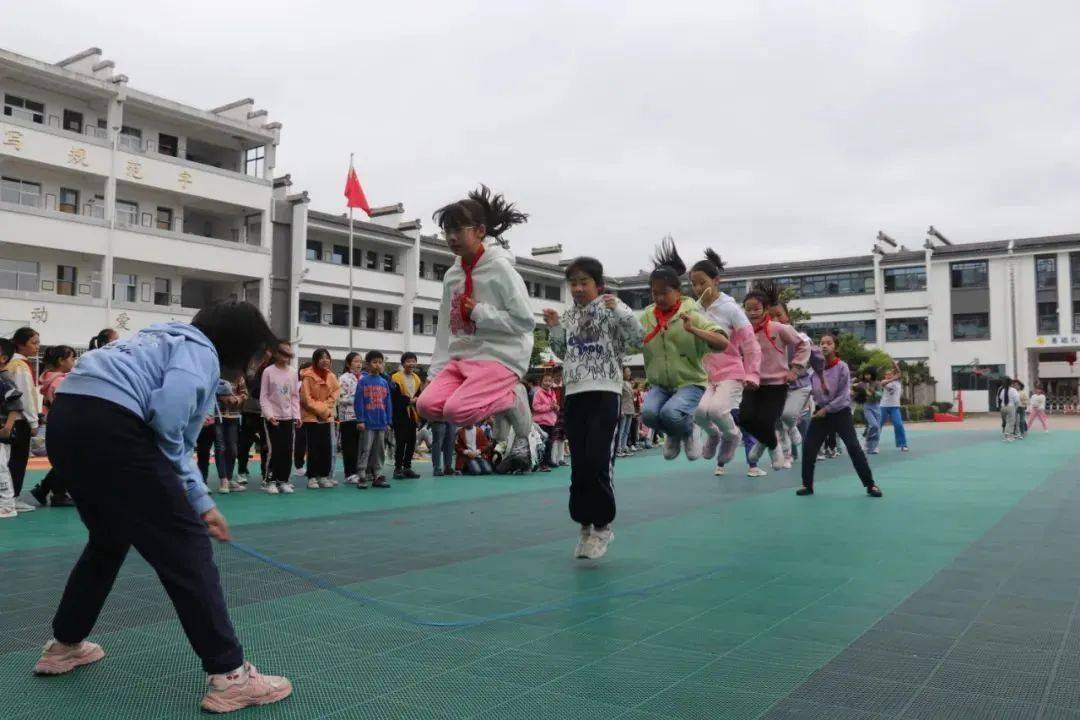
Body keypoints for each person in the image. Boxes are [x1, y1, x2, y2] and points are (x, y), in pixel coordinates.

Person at [36, 301, 291, 712]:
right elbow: (168, 425)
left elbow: (164, 409)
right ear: (240, 346)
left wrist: (199, 498)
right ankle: (230, 676)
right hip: (117, 427)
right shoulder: (201, 354)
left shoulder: (160, 336)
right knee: (186, 546)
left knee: (108, 539)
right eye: (256, 354)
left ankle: (65, 645)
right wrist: (200, 502)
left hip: (68, 423)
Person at [416, 185, 536, 474]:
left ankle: (512, 396)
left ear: (480, 231)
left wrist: (481, 313)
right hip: (463, 357)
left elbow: (525, 321)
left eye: (459, 230)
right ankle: (502, 403)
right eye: (447, 231)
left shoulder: (501, 270)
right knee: (427, 405)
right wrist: (436, 371)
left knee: (457, 411)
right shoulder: (452, 276)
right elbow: (447, 327)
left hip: (500, 356)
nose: (452, 237)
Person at [545, 256, 644, 559]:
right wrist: (554, 328)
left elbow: (638, 340)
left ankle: (603, 527)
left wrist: (624, 309)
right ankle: (585, 524)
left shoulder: (612, 309)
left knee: (598, 459)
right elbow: (562, 353)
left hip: (605, 392)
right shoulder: (569, 315)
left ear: (598, 285)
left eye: (583, 283)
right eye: (572, 283)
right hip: (574, 393)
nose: (577, 288)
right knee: (580, 465)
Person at [639, 239, 729, 461]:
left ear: (678, 292)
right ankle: (675, 433)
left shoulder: (693, 314)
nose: (659, 298)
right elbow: (632, 339)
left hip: (690, 382)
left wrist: (694, 330)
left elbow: (722, 342)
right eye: (654, 293)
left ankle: (688, 431)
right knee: (648, 415)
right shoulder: (647, 317)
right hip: (661, 384)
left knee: (670, 413)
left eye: (665, 293)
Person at [688, 248, 761, 474]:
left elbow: (750, 345)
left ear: (716, 281)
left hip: (731, 372)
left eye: (703, 283)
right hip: (706, 375)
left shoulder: (730, 309)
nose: (698, 288)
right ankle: (714, 434)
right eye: (694, 284)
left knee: (719, 411)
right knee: (699, 413)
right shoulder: (694, 309)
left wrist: (752, 374)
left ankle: (732, 436)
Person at [797, 334, 882, 498]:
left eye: (828, 343)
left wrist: (826, 409)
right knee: (808, 448)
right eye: (821, 343)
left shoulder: (842, 367)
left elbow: (844, 396)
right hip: (821, 414)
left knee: (854, 448)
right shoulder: (813, 371)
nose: (824, 346)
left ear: (835, 347)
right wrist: (800, 411)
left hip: (840, 414)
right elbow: (806, 391)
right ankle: (807, 485)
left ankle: (871, 485)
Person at [738, 283, 809, 476]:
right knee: (744, 419)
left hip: (776, 386)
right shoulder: (744, 332)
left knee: (766, 420)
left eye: (756, 308)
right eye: (748, 309)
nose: (752, 312)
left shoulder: (778, 328)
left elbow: (803, 345)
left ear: (765, 308)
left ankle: (772, 448)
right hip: (752, 384)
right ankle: (773, 443)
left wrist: (795, 369)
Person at [31, 345, 78, 507]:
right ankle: (54, 493)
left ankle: (47, 491)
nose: (74, 361)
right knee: (69, 461)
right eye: (72, 358)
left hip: (55, 424)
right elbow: (65, 404)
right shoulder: (59, 381)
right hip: (65, 424)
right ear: (61, 360)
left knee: (65, 461)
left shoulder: (49, 378)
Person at [3, 327, 41, 513]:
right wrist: (33, 422)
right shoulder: (20, 366)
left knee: (7, 460)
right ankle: (13, 496)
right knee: (17, 460)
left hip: (8, 420)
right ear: (20, 344)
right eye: (34, 343)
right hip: (18, 420)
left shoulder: (9, 364)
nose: (37, 347)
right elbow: (24, 397)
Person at [260, 341, 301, 494]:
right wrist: (269, 415)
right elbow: (263, 396)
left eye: (288, 352)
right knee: (274, 450)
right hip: (273, 418)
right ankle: (270, 480)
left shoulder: (292, 372)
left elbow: (295, 396)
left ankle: (283, 480)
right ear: (276, 353)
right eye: (282, 352)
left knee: (287, 449)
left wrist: (297, 416)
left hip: (288, 417)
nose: (286, 355)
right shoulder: (268, 371)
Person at [299, 349, 340, 489]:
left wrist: (325, 408)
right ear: (315, 360)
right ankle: (312, 477)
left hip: (326, 417)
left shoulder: (331, 376)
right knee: (314, 447)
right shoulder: (308, 376)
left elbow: (335, 393)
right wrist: (322, 409)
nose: (325, 360)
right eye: (321, 358)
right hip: (311, 417)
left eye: (327, 357)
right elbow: (306, 399)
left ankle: (323, 476)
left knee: (326, 447)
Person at [355, 350, 393, 489]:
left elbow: (388, 403)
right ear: (368, 364)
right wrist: (360, 420)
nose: (378, 365)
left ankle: (378, 475)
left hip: (381, 423)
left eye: (380, 362)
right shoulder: (363, 381)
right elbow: (358, 402)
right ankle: (362, 475)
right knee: (365, 449)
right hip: (368, 423)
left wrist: (388, 422)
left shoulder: (384, 382)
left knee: (379, 450)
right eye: (374, 362)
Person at [0, 338, 24, 519]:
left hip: (2, 432)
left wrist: (7, 428)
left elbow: (16, 405)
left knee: (1, 468)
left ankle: (7, 505)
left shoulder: (5, 379)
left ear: (3, 358)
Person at [389, 353, 422, 480]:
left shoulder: (417, 379)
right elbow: (394, 398)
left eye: (414, 361)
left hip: (413, 415)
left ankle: (407, 467)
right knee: (401, 442)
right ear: (403, 363)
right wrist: (409, 401)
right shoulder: (395, 378)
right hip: (400, 414)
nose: (411, 364)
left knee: (412, 441)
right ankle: (398, 468)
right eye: (408, 361)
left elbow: (419, 396)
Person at [236, 360, 268, 487]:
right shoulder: (250, 363)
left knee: (266, 444)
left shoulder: (271, 364)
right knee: (245, 443)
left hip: (267, 412)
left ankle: (265, 473)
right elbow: (249, 383)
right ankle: (241, 471)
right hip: (249, 409)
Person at [213, 377, 246, 493]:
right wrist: (221, 396)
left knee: (233, 449)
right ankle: (223, 480)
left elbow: (244, 393)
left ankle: (229, 478)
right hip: (217, 416)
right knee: (220, 447)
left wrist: (237, 399)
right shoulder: (215, 372)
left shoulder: (238, 375)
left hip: (234, 416)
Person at [337, 351, 363, 485]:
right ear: (348, 364)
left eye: (360, 361)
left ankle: (359, 471)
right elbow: (340, 398)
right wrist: (358, 399)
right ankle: (350, 474)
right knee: (350, 447)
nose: (359, 364)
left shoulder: (363, 378)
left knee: (360, 446)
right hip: (348, 417)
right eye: (356, 361)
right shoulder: (343, 378)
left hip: (361, 418)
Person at [531, 373, 559, 472]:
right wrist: (549, 407)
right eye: (545, 381)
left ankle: (548, 461)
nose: (548, 383)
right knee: (542, 444)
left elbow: (554, 404)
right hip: (541, 422)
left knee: (550, 443)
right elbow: (536, 407)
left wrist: (556, 407)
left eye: (550, 381)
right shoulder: (538, 393)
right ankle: (542, 464)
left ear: (552, 382)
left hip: (551, 421)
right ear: (541, 382)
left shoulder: (552, 392)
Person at [879, 362, 909, 451]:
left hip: (895, 407)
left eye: (890, 374)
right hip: (883, 407)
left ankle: (903, 445)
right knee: (878, 425)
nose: (888, 375)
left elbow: (899, 373)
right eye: (887, 374)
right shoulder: (884, 381)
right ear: (885, 376)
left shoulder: (898, 382)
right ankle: (872, 443)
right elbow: (883, 384)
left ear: (893, 374)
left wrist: (894, 364)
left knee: (899, 425)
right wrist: (892, 378)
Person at [855, 369, 882, 455]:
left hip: (877, 406)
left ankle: (874, 447)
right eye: (865, 374)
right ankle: (866, 441)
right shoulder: (862, 384)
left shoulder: (877, 383)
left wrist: (873, 392)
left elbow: (880, 394)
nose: (866, 376)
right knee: (874, 425)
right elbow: (855, 389)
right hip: (867, 406)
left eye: (868, 374)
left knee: (877, 428)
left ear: (872, 374)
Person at [616, 367, 636, 457]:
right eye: (627, 371)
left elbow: (631, 398)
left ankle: (624, 447)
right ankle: (618, 449)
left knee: (627, 431)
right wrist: (620, 409)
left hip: (630, 409)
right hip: (623, 409)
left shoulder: (629, 384)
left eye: (629, 371)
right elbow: (619, 397)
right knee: (621, 430)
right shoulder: (620, 383)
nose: (629, 373)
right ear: (623, 373)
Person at [997, 377, 1020, 441]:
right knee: (1011, 422)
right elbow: (1017, 400)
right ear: (1011, 383)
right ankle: (1010, 436)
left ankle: (1006, 435)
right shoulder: (1013, 390)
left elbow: (1001, 398)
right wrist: (1016, 407)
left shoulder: (1003, 390)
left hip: (1003, 407)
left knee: (1007, 421)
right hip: (1011, 407)